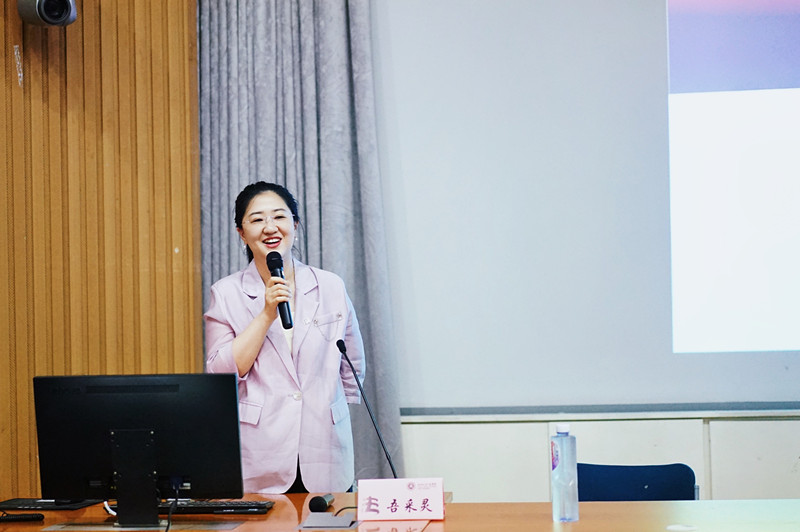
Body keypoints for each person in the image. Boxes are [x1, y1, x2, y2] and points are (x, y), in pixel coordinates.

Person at [204, 181, 365, 494]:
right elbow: (220, 374)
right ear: (241, 233)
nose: (270, 227)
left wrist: (330, 410)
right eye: (257, 219)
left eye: (279, 216)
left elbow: (353, 365)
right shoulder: (226, 293)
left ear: (295, 224)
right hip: (262, 451)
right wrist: (266, 314)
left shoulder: (330, 286)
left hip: (326, 448)